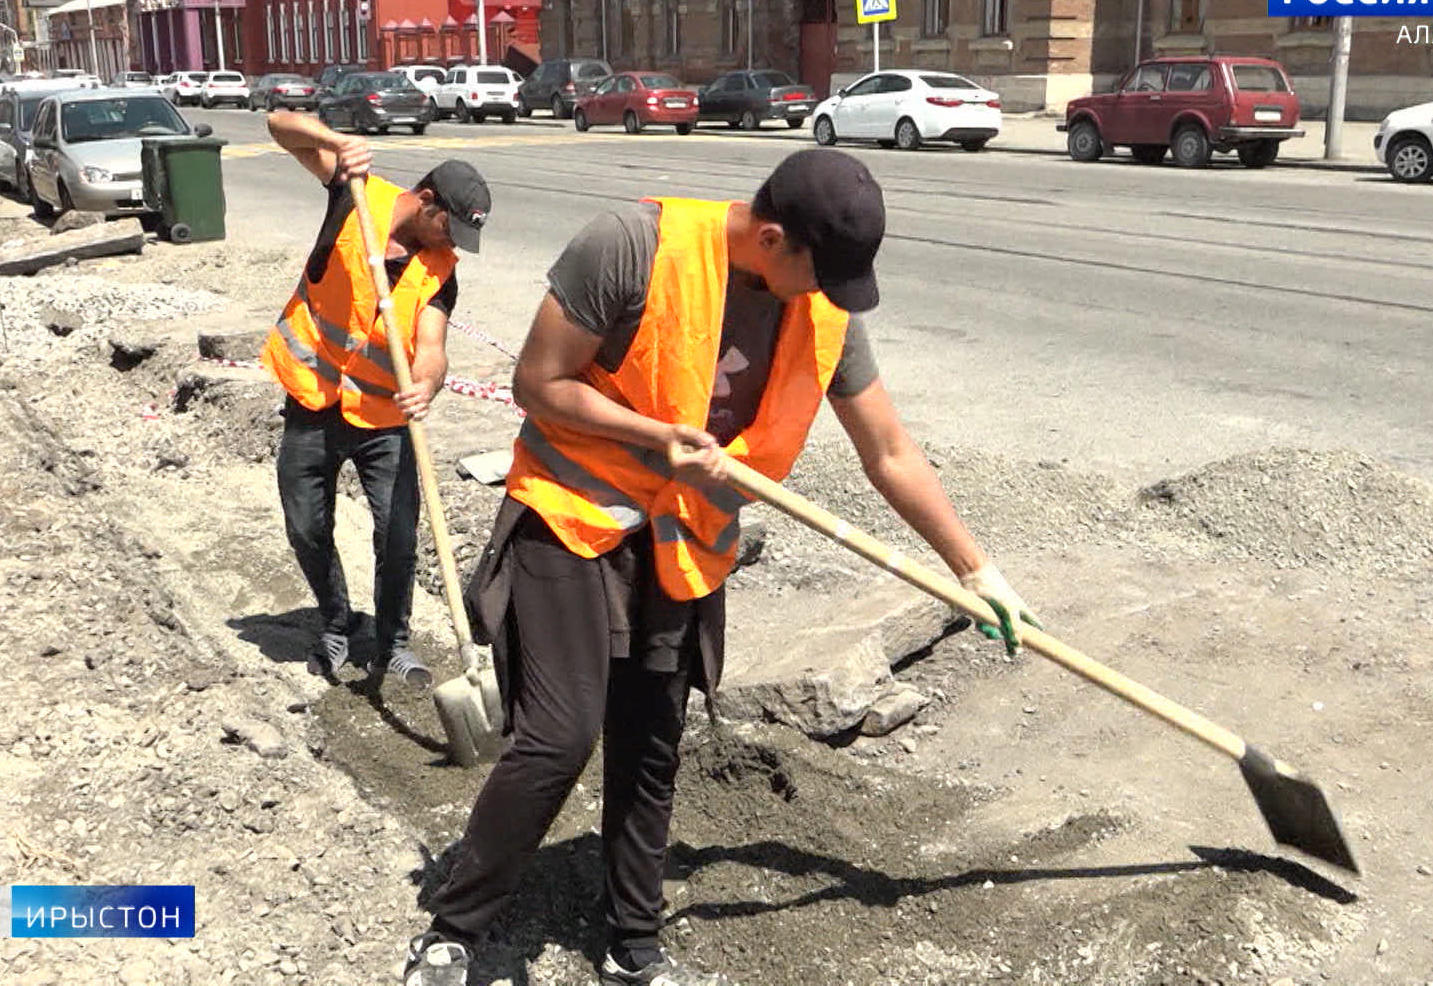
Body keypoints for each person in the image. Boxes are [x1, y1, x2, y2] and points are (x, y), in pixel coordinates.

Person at [400, 149, 1036, 986]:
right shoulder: (632, 247)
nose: (827, 299)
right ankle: (455, 928)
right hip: (571, 516)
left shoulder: (824, 309)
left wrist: (975, 570)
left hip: (681, 539)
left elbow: (889, 451)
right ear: (771, 238)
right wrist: (657, 438)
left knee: (651, 742)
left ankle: (633, 943)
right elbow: (537, 383)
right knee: (560, 736)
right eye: (819, 275)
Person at [260, 110, 493, 688]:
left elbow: (433, 346)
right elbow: (278, 124)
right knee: (306, 525)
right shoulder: (355, 196)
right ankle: (337, 621)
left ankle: (393, 642)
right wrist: (337, 140)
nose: (451, 244)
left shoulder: (442, 271)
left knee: (399, 534)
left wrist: (427, 381)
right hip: (313, 401)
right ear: (428, 199)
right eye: (450, 228)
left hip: (386, 417)